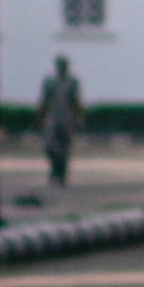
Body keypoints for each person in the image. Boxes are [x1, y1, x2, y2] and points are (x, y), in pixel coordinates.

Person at [37, 53, 85, 187]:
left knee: (64, 148)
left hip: (67, 118)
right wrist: (40, 117)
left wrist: (79, 116)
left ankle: (61, 173)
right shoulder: (50, 82)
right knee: (50, 146)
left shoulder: (72, 83)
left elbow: (75, 101)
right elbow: (45, 101)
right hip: (52, 117)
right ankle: (55, 168)